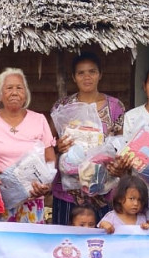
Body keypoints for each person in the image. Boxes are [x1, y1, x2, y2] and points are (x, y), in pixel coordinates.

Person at [52, 52, 126, 224]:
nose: (87, 77)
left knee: (101, 242)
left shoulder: (115, 107)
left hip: (103, 188)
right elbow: (51, 143)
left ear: (100, 75)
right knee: (66, 243)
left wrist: (117, 166)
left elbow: (119, 145)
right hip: (69, 192)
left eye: (92, 72)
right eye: (81, 73)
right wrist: (58, 147)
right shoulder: (62, 107)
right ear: (73, 77)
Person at [0, 68, 56, 223]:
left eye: (19, 88)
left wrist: (47, 183)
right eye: (9, 88)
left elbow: (50, 157)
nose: (14, 92)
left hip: (32, 197)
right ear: (0, 94)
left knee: (30, 244)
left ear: (25, 94)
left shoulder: (39, 120)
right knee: (0, 244)